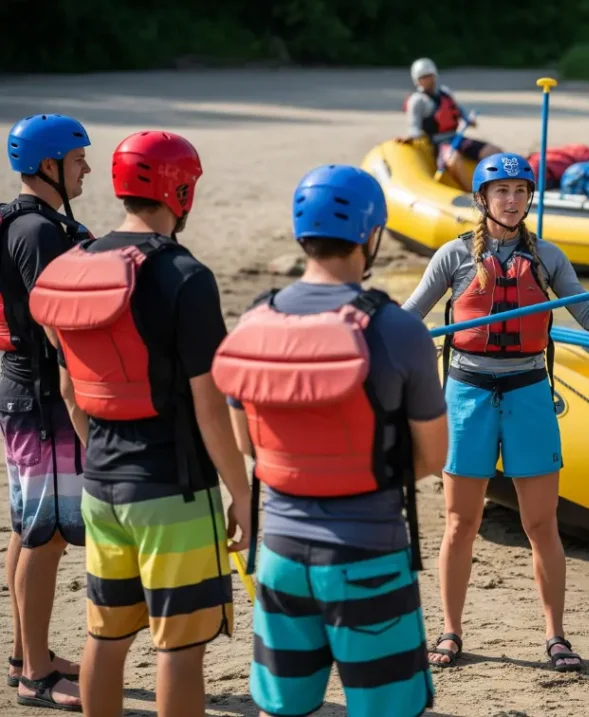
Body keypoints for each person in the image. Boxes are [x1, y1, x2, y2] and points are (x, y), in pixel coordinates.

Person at [28, 130, 251, 717]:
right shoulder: (186, 276)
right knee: (180, 645)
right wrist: (243, 493)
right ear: (181, 189)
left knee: (107, 634)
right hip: (173, 492)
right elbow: (210, 404)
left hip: (102, 485)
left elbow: (71, 391)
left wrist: (104, 460)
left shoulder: (73, 266)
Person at [212, 164, 448, 717]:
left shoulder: (254, 320)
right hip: (370, 556)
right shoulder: (397, 330)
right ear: (372, 236)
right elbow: (435, 455)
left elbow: (246, 442)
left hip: (279, 558)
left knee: (285, 709)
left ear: (301, 234)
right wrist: (367, 472)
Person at [402, 152, 589, 671]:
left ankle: (556, 636)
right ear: (482, 200)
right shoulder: (453, 257)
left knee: (542, 523)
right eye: (501, 192)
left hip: (529, 393)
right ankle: (450, 631)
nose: (511, 200)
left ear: (528, 198)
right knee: (458, 523)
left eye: (520, 191)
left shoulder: (548, 258)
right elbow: (408, 320)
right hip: (467, 394)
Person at [1, 113, 92, 712]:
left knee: (27, 530)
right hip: (41, 399)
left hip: (23, 392)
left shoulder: (45, 223)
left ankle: (22, 656)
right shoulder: (37, 233)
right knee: (46, 535)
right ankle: (36, 673)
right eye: (79, 158)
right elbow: (59, 323)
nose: (88, 166)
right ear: (51, 166)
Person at [399, 57, 502, 192]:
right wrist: (412, 137)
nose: (428, 79)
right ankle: (472, 192)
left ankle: (499, 185)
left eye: (429, 75)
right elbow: (414, 127)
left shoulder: (445, 92)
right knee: (454, 160)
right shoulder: (417, 101)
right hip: (438, 143)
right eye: (423, 77)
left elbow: (457, 110)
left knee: (493, 151)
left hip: (456, 138)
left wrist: (467, 120)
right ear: (417, 80)